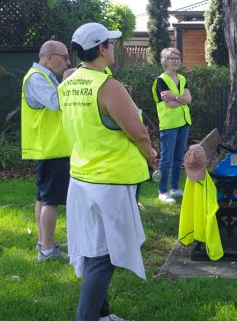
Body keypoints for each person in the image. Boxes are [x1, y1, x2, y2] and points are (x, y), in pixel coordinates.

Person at [58, 22, 157, 321]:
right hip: (110, 180)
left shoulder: (70, 82)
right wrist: (150, 156)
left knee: (93, 248)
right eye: (111, 44)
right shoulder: (107, 86)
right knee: (104, 257)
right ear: (102, 49)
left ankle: (102, 314)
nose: (114, 47)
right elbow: (138, 132)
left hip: (82, 176)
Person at [21, 40, 71, 262]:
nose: (67, 62)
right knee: (50, 200)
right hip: (51, 148)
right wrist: (68, 82)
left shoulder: (42, 76)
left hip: (49, 147)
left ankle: (43, 242)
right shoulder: (36, 78)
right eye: (64, 57)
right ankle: (48, 250)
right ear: (49, 56)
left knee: (43, 198)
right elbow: (55, 102)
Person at [152, 48, 192, 203]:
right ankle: (162, 191)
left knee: (178, 158)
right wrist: (181, 99)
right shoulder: (161, 80)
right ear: (165, 62)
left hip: (184, 123)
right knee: (166, 159)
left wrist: (175, 96)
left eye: (178, 58)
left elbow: (189, 100)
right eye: (172, 58)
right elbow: (169, 104)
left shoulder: (182, 78)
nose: (175, 61)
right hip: (169, 125)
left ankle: (174, 188)